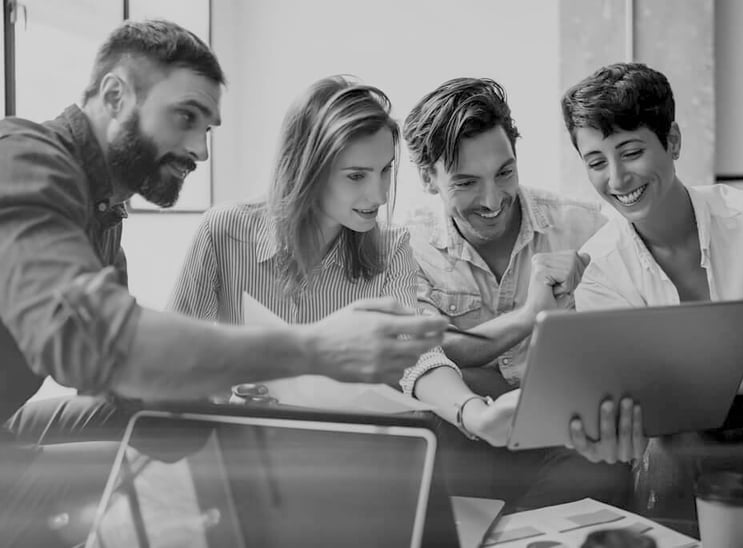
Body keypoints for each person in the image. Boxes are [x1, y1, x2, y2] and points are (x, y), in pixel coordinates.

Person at [0, 20, 446, 546]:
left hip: (11, 428)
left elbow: (121, 385)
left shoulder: (104, 218)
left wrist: (243, 402)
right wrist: (313, 349)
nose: (201, 150)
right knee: (159, 493)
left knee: (198, 440)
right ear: (115, 95)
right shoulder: (21, 157)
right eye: (185, 117)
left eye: (207, 129)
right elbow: (95, 341)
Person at [561, 62, 743, 522]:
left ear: (672, 141)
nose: (616, 179)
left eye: (630, 152)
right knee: (667, 451)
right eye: (596, 162)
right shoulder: (600, 268)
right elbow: (631, 407)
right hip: (683, 438)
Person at [400, 77, 632, 510]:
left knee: (605, 465)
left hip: (564, 440)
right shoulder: (406, 248)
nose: (493, 200)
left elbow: (631, 344)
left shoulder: (586, 229)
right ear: (428, 178)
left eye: (504, 172)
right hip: (461, 437)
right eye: (466, 183)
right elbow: (423, 349)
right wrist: (532, 316)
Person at [168, 74, 454, 388]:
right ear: (308, 170)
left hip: (349, 434)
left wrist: (467, 408)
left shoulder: (393, 247)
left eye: (385, 170)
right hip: (246, 431)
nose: (379, 195)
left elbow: (417, 355)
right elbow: (172, 352)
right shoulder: (224, 230)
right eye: (356, 176)